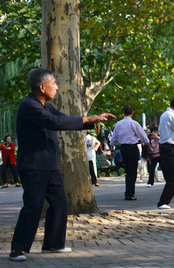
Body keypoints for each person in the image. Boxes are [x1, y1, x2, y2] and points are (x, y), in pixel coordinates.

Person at [9, 68, 114, 262]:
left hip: (50, 164)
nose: (56, 88)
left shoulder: (46, 106)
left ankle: (53, 244)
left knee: (59, 203)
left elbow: (63, 119)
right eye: (54, 84)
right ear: (42, 87)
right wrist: (87, 119)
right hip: (34, 166)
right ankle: (18, 249)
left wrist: (92, 121)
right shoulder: (29, 106)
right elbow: (55, 122)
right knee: (33, 206)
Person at [110, 105, 150, 201]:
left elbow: (113, 138)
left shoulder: (118, 124)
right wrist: (149, 146)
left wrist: (112, 150)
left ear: (123, 112)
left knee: (128, 171)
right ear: (133, 112)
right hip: (132, 148)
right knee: (132, 172)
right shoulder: (134, 123)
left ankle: (128, 192)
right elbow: (143, 136)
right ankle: (129, 194)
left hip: (123, 148)